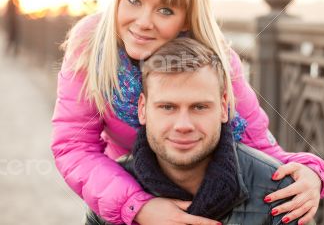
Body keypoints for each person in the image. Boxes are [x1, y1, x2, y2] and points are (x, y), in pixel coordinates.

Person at [51, 0, 324, 224]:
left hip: (206, 190)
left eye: (165, 10)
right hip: (128, 185)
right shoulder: (90, 47)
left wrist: (310, 172)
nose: (144, 21)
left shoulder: (214, 59)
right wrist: (137, 206)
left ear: (186, 19)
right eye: (133, 1)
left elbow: (258, 143)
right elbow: (73, 145)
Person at [85, 38, 303, 225]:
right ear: (143, 109)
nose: (183, 125)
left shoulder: (280, 193)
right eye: (167, 107)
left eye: (199, 107)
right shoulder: (112, 195)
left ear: (223, 107)